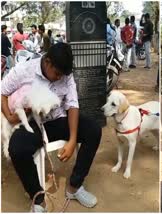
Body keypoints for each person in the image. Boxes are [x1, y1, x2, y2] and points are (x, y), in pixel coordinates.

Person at [1, 43, 102, 212]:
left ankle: (74, 187)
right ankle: (38, 198)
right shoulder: (24, 70)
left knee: (93, 130)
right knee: (17, 149)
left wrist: (72, 139)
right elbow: (2, 92)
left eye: (62, 75)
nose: (59, 77)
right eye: (56, 73)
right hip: (32, 122)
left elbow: (72, 104)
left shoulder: (65, 75)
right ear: (47, 62)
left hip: (58, 118)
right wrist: (10, 117)